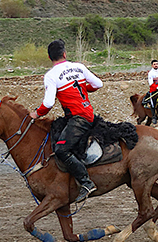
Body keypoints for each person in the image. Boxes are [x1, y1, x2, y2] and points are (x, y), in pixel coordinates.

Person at [29, 39, 103, 203]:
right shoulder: (79, 67)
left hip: (78, 118)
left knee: (61, 150)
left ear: (50, 58)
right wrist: (84, 87)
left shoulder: (51, 75)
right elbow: (98, 84)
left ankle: (86, 182)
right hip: (88, 112)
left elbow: (48, 103)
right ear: (64, 54)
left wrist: (36, 114)